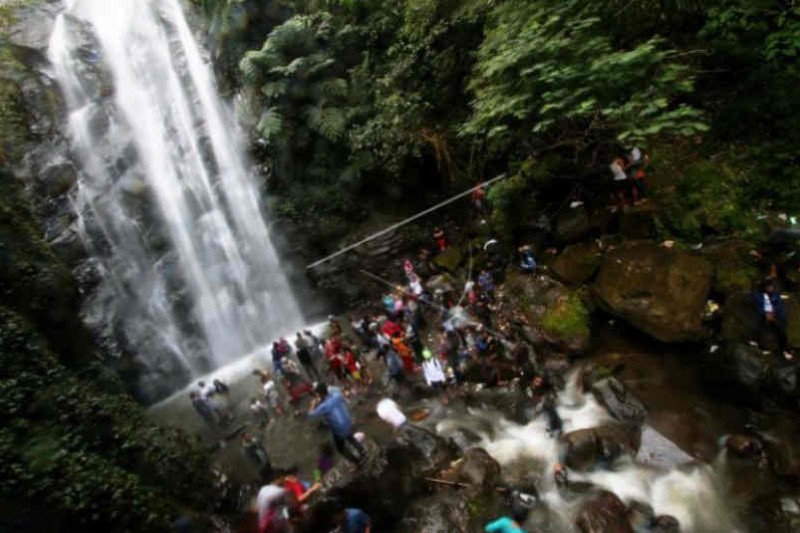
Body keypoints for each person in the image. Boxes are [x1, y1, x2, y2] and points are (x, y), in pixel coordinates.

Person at [307, 383, 367, 465]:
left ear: (320, 394)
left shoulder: (323, 407)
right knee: (351, 438)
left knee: (340, 448)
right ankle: (363, 452)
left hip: (339, 431)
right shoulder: (336, 396)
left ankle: (357, 462)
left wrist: (313, 404)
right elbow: (336, 391)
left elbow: (310, 416)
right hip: (348, 423)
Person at [754, 279, 790, 357]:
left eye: (772, 287)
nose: (770, 289)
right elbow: (758, 306)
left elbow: (779, 306)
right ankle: (760, 346)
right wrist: (765, 313)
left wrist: (773, 314)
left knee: (780, 329)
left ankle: (785, 349)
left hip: (775, 314)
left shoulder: (776, 295)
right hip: (764, 314)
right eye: (768, 287)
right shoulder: (758, 295)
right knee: (760, 325)